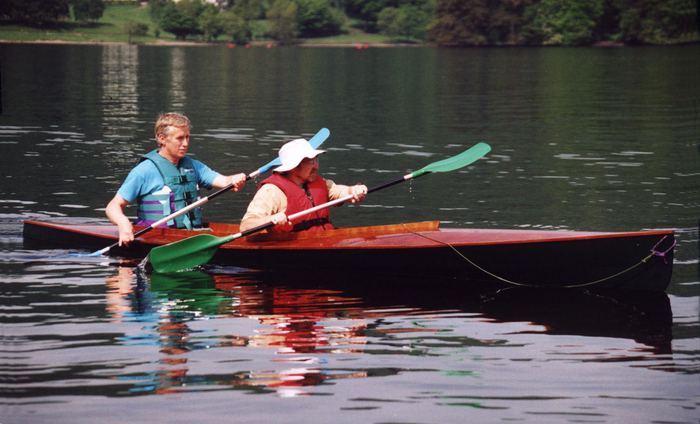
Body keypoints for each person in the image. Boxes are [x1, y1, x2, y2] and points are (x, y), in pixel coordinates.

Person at [106, 112, 247, 246]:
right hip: (156, 237)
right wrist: (123, 223)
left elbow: (224, 181)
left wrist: (234, 179)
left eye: (187, 137)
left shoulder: (193, 166)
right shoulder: (144, 171)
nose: (185, 143)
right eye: (180, 138)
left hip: (191, 235)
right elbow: (113, 207)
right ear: (162, 138)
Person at [240, 138, 367, 233]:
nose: (316, 166)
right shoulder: (271, 191)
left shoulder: (320, 183)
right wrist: (271, 219)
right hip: (292, 247)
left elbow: (341, 191)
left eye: (316, 159)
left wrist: (353, 190)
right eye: (311, 161)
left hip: (325, 241)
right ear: (294, 165)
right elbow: (246, 225)